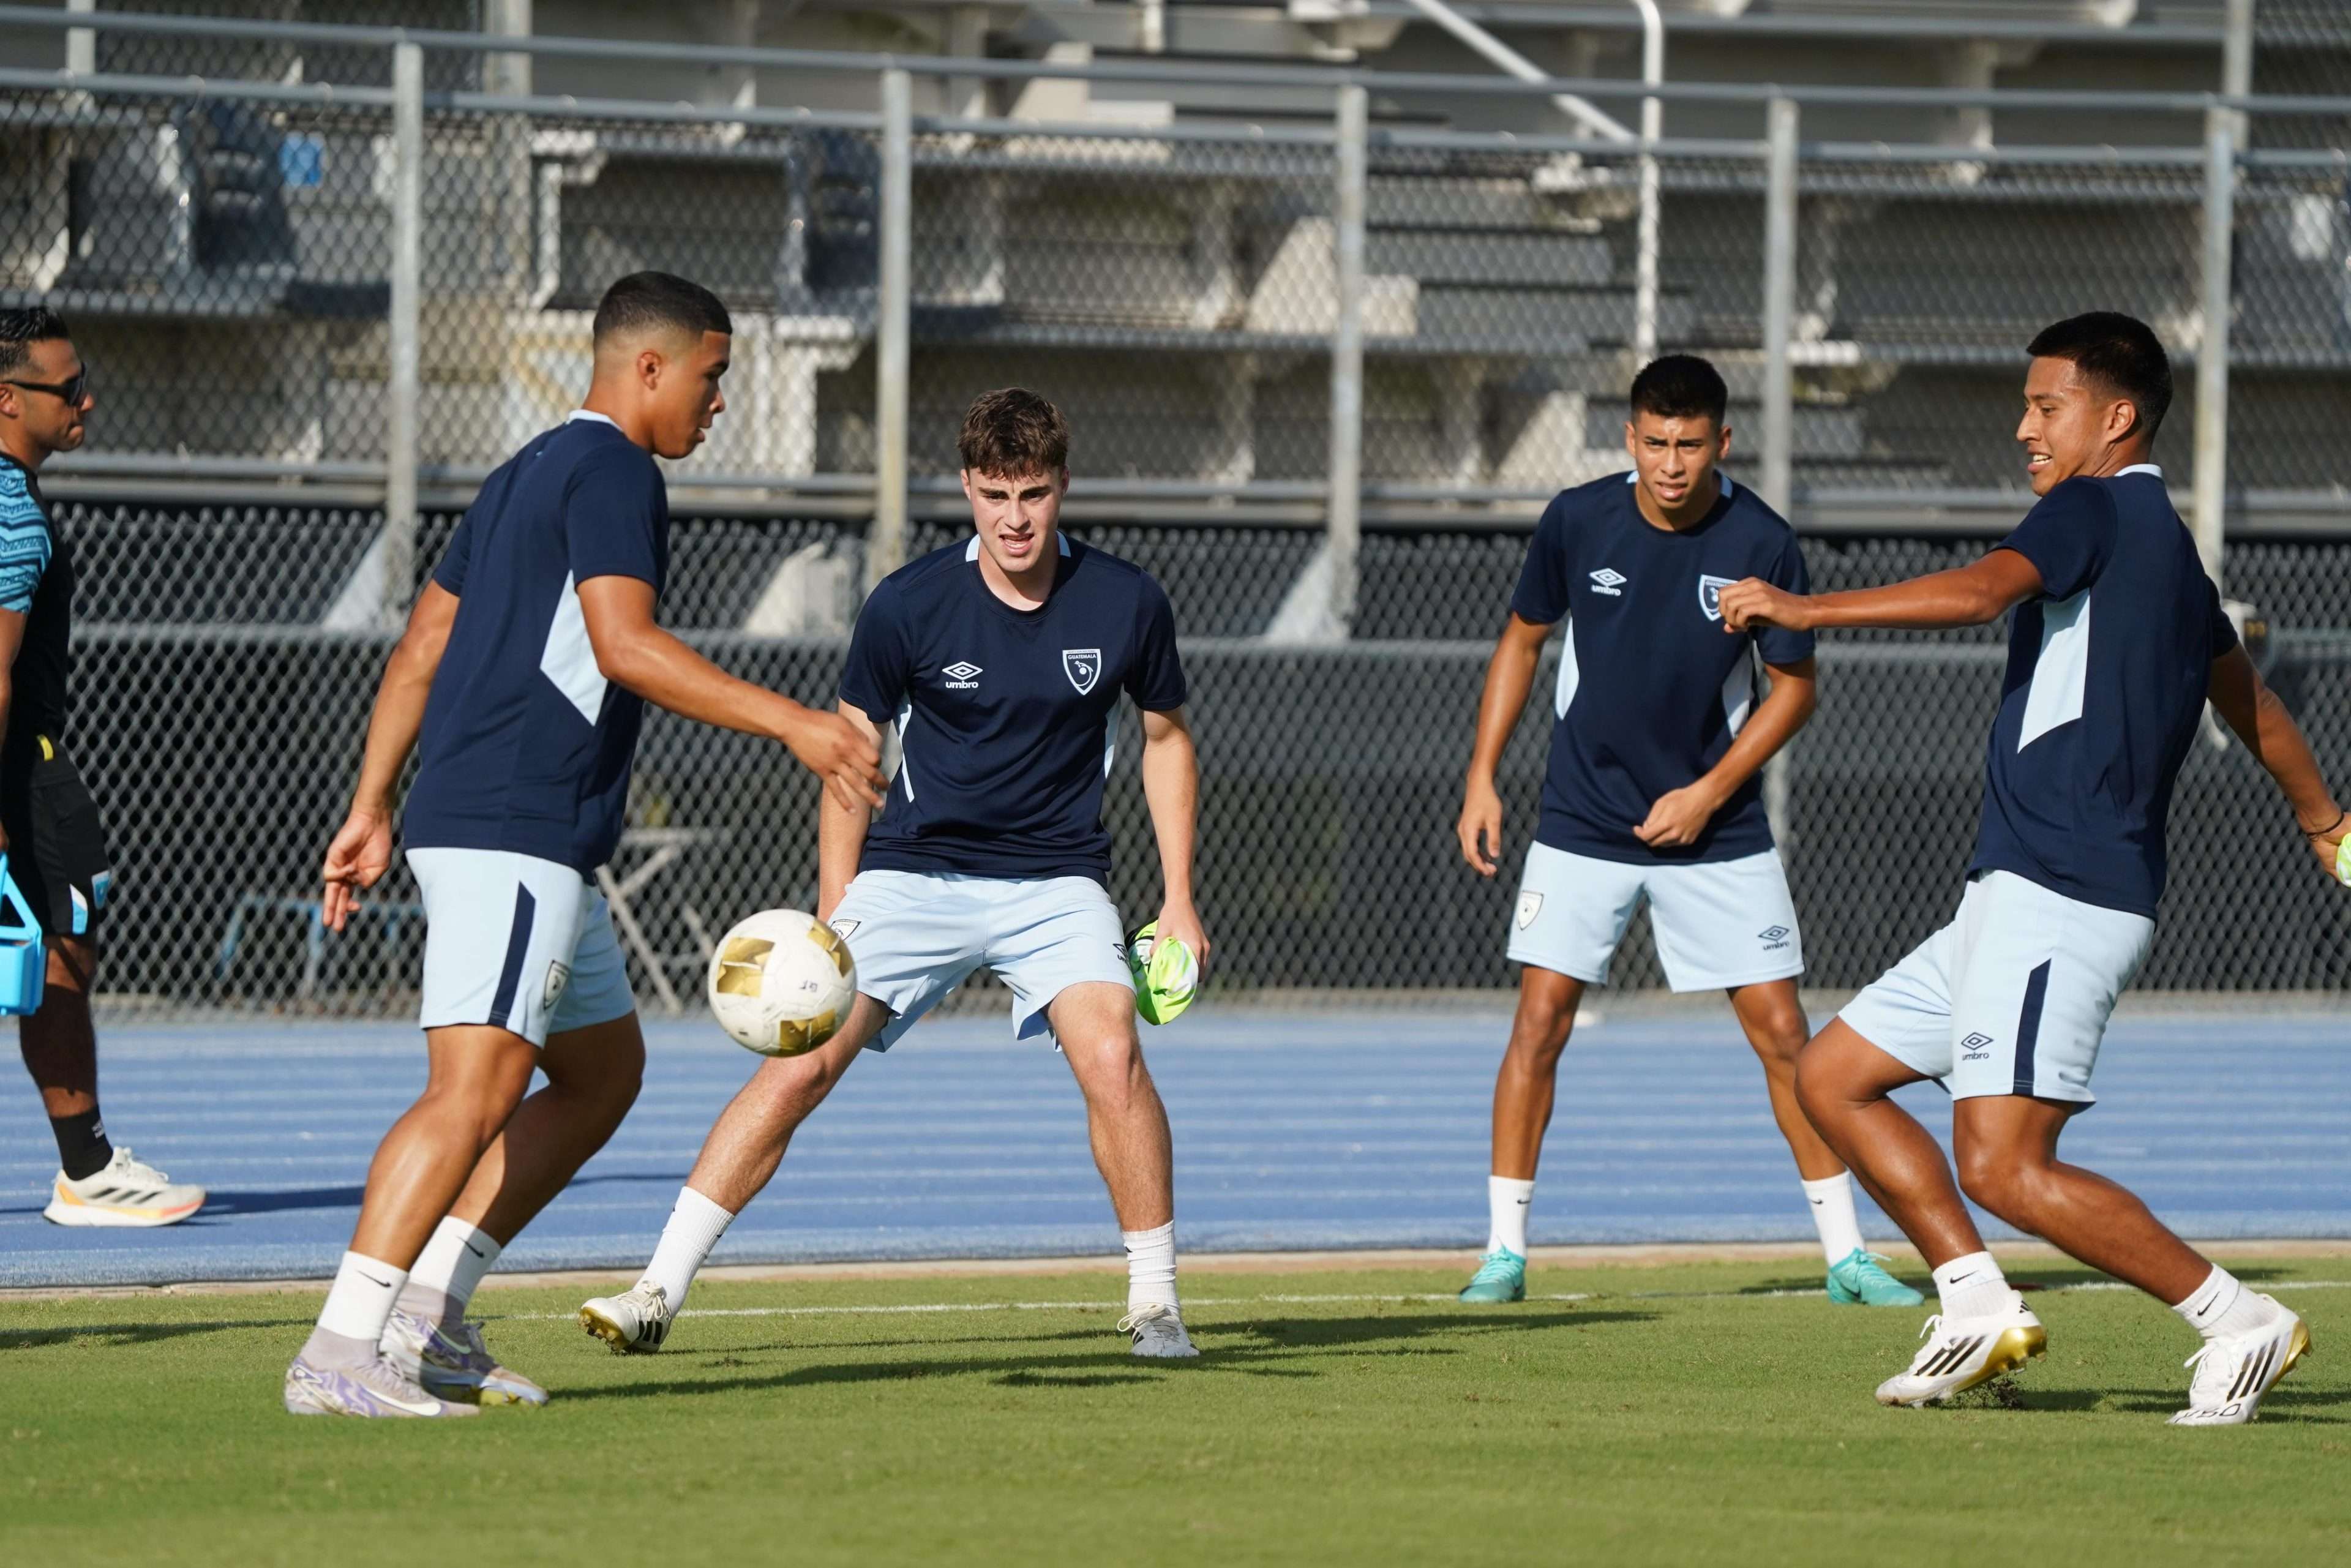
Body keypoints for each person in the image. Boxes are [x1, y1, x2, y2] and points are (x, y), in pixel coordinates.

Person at [282, 272, 883, 1418]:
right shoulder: (616, 469)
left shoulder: (525, 467)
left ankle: (427, 1312)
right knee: (472, 1091)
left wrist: (371, 803)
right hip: (517, 823)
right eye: (712, 375)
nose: (719, 401)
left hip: (511, 826)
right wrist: (796, 722)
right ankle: (340, 1347)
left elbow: (421, 644)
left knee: (604, 1073)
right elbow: (625, 646)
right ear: (649, 368)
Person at [1719, 312, 2336, 1425]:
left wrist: (1805, 608)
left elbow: (1978, 591)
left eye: (2048, 406)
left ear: (2117, 417)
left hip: (2062, 893)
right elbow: (2253, 702)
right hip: (2020, 894)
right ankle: (1976, 1303)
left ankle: (2236, 1317)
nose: (2025, 428)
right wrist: (2325, 820)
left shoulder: (2092, 508)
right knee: (1832, 1076)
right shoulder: (2168, 547)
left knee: (2004, 1166)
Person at [580, 387, 1210, 1359]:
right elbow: (849, 757)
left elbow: (1166, 740)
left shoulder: (1127, 599)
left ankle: (1157, 1305)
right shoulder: (908, 604)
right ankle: (655, 1289)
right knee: (801, 1063)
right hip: (914, 872)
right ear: (966, 488)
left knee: (1113, 1051)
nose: (1014, 517)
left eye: (1033, 494)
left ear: (1062, 487)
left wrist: (1178, 900)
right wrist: (835, 914)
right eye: (995, 494)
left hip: (1058, 883)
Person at [1453, 354, 1913, 1307]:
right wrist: (1482, 776)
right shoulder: (1578, 519)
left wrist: (1708, 792)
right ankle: (1503, 1253)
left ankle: (1847, 1257)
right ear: (1630, 438)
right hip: (1582, 819)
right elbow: (1521, 640)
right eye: (1656, 442)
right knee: (1539, 1022)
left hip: (1719, 827)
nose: (1671, 463)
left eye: (1690, 444)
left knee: (1785, 1035)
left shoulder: (1763, 540)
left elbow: (1795, 692)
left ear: (1722, 442)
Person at [1, 307, 204, 1228]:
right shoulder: (11, 512)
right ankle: (87, 1170)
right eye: (68, 387)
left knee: (57, 944)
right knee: (61, 944)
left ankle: (86, 1164)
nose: (86, 400)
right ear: (9, 400)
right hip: (23, 768)